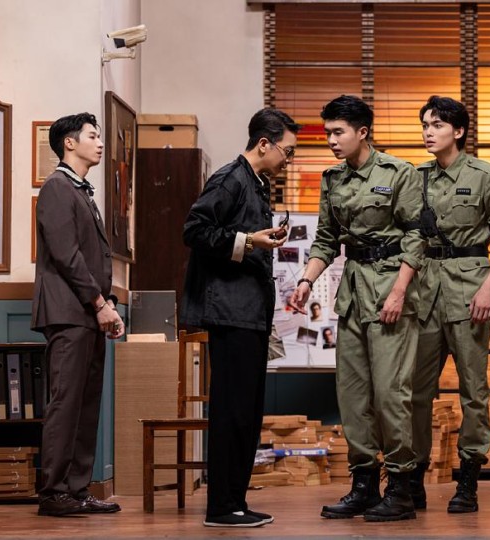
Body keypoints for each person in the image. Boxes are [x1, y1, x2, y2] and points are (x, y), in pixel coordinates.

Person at [287, 95, 424, 522]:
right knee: (352, 395)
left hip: (391, 291)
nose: (330, 140)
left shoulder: (398, 173)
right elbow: (326, 239)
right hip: (353, 292)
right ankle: (363, 484)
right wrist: (306, 281)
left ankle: (400, 488)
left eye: (338, 132)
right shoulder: (332, 179)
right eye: (327, 132)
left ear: (362, 132)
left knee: (390, 394)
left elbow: (417, 238)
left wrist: (399, 291)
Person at [180, 108, 299, 528]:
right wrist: (249, 241)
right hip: (230, 313)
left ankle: (235, 502)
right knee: (231, 411)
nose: (288, 159)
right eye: (287, 150)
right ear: (264, 144)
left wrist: (258, 241)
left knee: (246, 412)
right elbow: (194, 230)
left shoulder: (256, 183)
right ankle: (221, 507)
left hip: (250, 313)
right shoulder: (231, 178)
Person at [409, 96, 490, 513]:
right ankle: (413, 478)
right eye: (425, 125)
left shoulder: (486, 176)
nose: (428, 132)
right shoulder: (415, 177)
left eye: (437, 125)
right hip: (424, 292)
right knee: (415, 392)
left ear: (458, 131)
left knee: (473, 390)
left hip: (470, 290)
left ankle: (469, 480)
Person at [31, 112, 125, 517]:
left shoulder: (82, 190)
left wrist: (108, 303)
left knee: (86, 405)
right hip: (69, 313)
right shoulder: (57, 187)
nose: (100, 143)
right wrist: (99, 304)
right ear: (69, 143)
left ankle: (77, 489)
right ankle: (54, 493)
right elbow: (66, 255)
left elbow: (91, 256)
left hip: (89, 311)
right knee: (66, 403)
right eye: (92, 136)